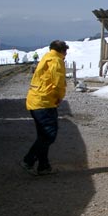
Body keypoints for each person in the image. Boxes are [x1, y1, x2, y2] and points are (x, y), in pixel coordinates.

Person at [20, 40, 69, 175]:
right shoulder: (56, 61)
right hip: (44, 102)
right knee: (49, 135)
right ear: (62, 50)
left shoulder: (46, 58)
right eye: (65, 51)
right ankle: (28, 160)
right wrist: (59, 97)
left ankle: (44, 166)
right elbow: (58, 83)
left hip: (35, 100)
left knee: (43, 135)